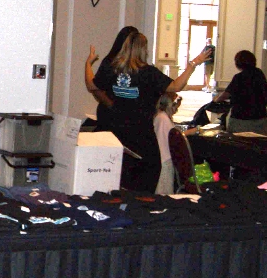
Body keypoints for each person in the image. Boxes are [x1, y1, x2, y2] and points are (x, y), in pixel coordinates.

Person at [85, 32, 213, 192]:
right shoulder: (148, 73)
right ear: (142, 49)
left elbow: (91, 85)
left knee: (119, 186)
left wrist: (88, 63)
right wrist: (193, 64)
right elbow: (176, 86)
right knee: (144, 189)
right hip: (142, 140)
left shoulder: (112, 69)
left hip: (118, 138)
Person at [214, 50, 267, 135]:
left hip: (240, 119)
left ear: (238, 63)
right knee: (259, 141)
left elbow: (226, 94)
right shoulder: (259, 74)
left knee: (239, 142)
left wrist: (216, 100)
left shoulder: (238, 77)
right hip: (260, 118)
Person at [91, 26, 139, 131]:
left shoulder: (137, 65)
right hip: (111, 114)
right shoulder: (110, 62)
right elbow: (95, 87)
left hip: (129, 116)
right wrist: (111, 105)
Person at [154, 92, 181, 194]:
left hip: (163, 157)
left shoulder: (160, 116)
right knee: (164, 190)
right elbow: (172, 136)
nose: (176, 110)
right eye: (176, 107)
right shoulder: (163, 118)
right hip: (165, 158)